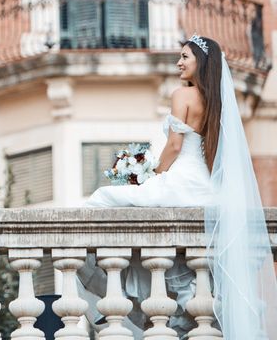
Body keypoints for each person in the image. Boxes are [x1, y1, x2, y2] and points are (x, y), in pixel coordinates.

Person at [84, 35, 277, 339]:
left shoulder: (181, 95)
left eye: (185, 56)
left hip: (181, 180)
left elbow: (174, 146)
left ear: (200, 61)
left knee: (100, 199)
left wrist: (154, 173)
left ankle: (106, 295)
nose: (179, 62)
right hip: (203, 184)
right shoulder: (217, 101)